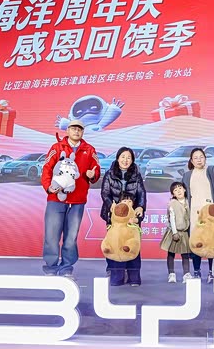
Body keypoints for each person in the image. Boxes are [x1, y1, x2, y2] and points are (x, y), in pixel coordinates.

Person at [41, 119, 100, 276]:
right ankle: (51, 267)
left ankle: (67, 267)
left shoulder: (89, 150)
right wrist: (48, 187)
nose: (76, 131)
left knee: (71, 237)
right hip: (56, 199)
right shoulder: (56, 148)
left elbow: (96, 170)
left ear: (83, 132)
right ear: (67, 130)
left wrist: (93, 175)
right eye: (73, 128)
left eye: (79, 129)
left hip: (77, 200)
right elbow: (47, 169)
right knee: (51, 235)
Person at [100, 146, 146, 286]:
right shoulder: (109, 174)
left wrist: (140, 207)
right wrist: (111, 206)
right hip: (114, 216)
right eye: (123, 157)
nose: (125, 160)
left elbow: (141, 193)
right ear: (118, 158)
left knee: (132, 244)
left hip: (132, 216)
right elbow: (105, 193)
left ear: (132, 160)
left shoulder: (136, 175)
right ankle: (116, 275)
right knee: (115, 244)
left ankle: (133, 277)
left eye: (129, 158)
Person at [181, 148, 214, 283]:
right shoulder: (187, 175)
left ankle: (212, 272)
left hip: (211, 213)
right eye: (196, 158)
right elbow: (183, 194)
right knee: (197, 241)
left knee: (212, 241)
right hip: (194, 213)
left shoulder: (211, 170)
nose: (199, 160)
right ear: (191, 161)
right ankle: (197, 271)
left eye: (201, 157)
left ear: (205, 159)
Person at [160, 182, 192, 283]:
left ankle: (186, 274)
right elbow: (172, 219)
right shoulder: (172, 203)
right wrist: (174, 232)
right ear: (173, 194)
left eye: (180, 188)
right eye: (175, 190)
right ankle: (171, 274)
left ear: (185, 190)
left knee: (185, 254)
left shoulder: (189, 202)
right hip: (174, 232)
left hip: (185, 232)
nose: (178, 191)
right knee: (171, 253)